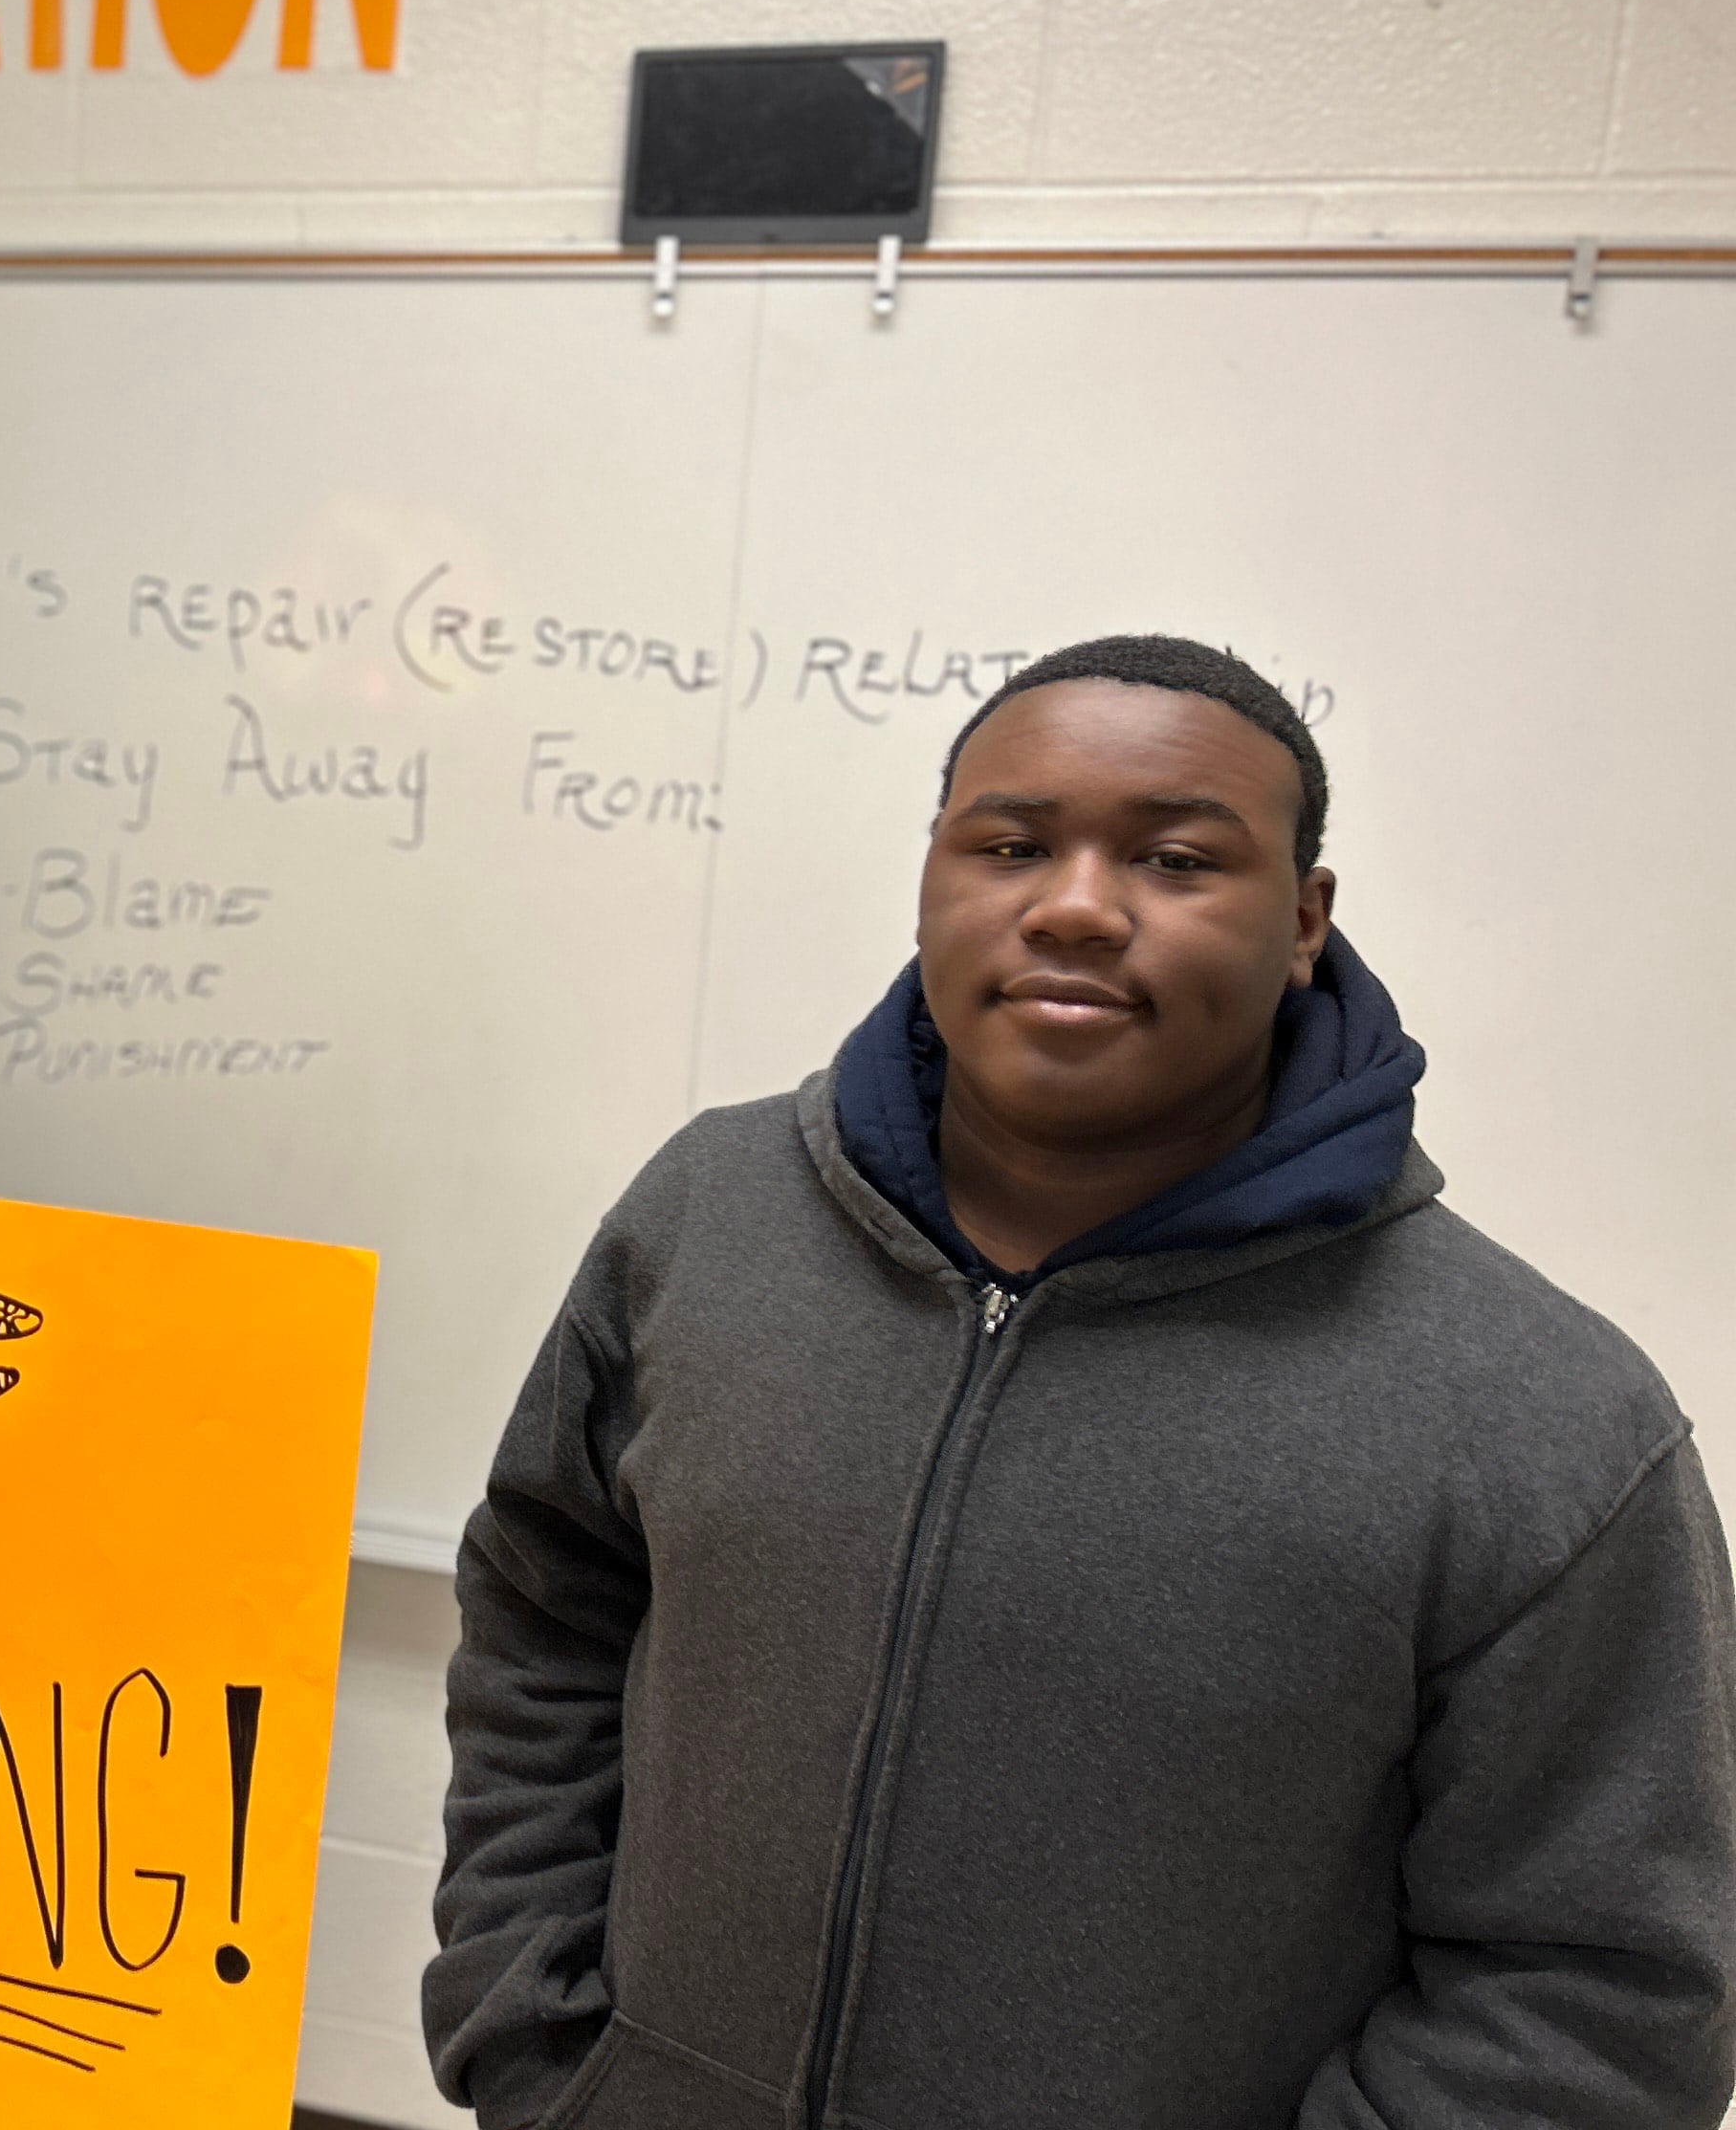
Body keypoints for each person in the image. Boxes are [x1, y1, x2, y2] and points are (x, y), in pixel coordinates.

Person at [425, 634, 1736, 2129]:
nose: (1073, 907)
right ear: (934, 876)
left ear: (1303, 922)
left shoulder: (1543, 1419)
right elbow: (545, 1612)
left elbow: (1598, 1999)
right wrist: (537, 2043)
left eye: (1176, 859)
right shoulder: (705, 1220)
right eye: (1010, 846)